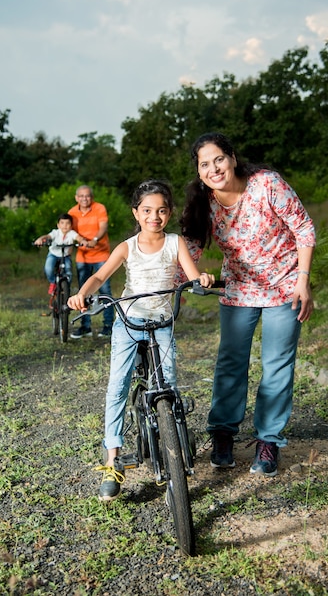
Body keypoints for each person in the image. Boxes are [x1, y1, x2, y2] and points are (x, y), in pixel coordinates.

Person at [67, 179, 215, 501]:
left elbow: (191, 274)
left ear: (169, 213)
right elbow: (99, 276)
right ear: (136, 213)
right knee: (118, 386)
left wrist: (200, 279)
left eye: (162, 210)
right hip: (129, 322)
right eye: (147, 210)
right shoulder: (127, 246)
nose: (155, 216)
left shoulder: (176, 243)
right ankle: (112, 460)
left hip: (162, 322)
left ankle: (172, 446)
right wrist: (82, 294)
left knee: (170, 386)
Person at [179, 132, 316, 477]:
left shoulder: (266, 184)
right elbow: (187, 251)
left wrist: (303, 281)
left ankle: (268, 440)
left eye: (219, 159)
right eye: (205, 164)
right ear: (199, 172)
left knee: (277, 366)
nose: (214, 169)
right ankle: (223, 435)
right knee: (230, 363)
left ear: (233, 158)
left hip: (284, 289)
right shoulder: (204, 203)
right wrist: (168, 283)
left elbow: (303, 228)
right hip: (238, 291)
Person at [68, 185, 114, 338]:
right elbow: (69, 230)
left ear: (91, 197)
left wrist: (95, 239)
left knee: (105, 291)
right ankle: (85, 326)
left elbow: (103, 227)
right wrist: (79, 239)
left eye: (87, 196)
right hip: (83, 256)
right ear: (76, 198)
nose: (84, 198)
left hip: (101, 255)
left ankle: (108, 325)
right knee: (83, 292)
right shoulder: (72, 212)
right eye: (81, 196)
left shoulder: (99, 208)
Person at [34, 213, 78, 302]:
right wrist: (41, 239)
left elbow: (79, 238)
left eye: (67, 223)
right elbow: (47, 236)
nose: (65, 226)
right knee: (48, 268)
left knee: (68, 271)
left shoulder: (72, 233)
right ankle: (53, 282)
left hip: (65, 256)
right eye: (62, 223)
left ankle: (66, 290)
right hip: (53, 254)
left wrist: (84, 241)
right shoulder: (55, 232)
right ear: (58, 225)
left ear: (71, 225)